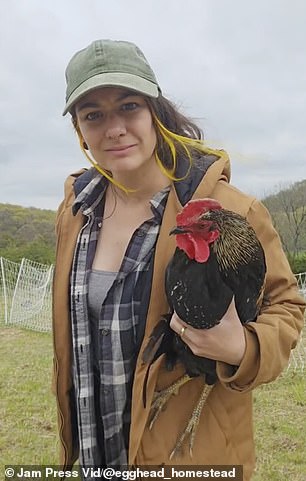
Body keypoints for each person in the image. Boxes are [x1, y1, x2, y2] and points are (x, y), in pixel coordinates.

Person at [52, 39, 305, 481]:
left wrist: (243, 348)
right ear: (80, 129)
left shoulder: (231, 210)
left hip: (187, 460)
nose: (113, 128)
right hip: (99, 448)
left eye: (128, 106)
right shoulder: (77, 208)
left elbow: (286, 307)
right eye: (93, 115)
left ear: (155, 112)